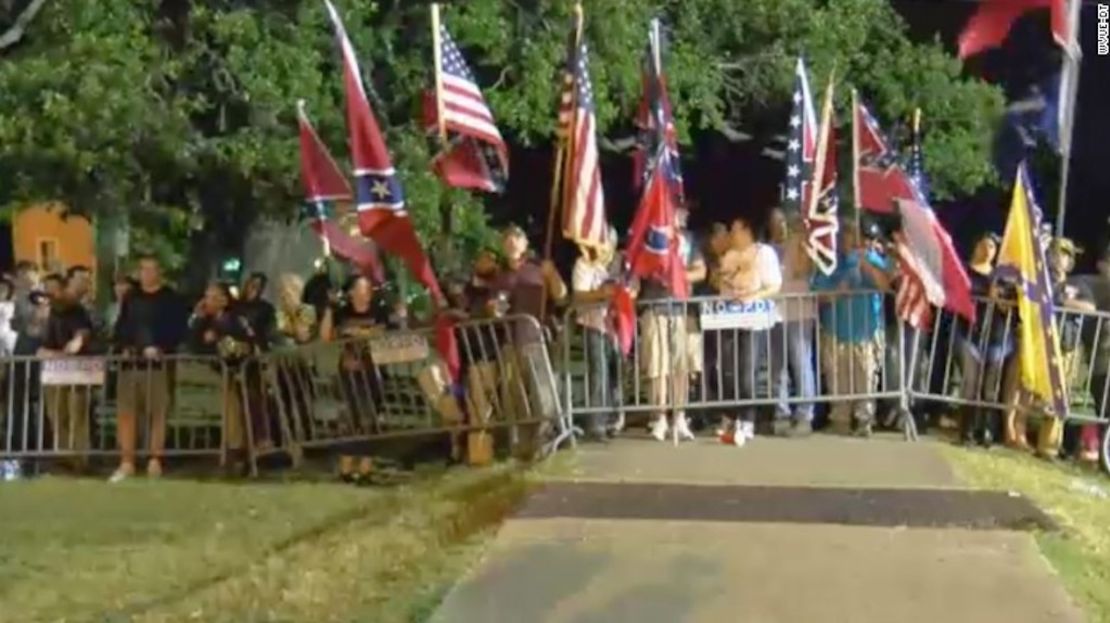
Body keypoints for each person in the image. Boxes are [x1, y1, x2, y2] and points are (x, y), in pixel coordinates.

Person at [110, 255, 189, 482]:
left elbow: (178, 330)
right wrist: (124, 346)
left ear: (159, 272)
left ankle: (155, 458)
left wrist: (161, 348)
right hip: (131, 363)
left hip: (159, 365)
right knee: (127, 413)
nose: (146, 274)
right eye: (142, 269)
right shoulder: (131, 298)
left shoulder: (171, 299)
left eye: (151, 269)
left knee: (158, 413)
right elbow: (122, 327)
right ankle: (127, 461)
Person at [490, 225, 567, 453]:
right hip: (511, 342)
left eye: (516, 238)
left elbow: (561, 296)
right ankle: (522, 443)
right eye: (507, 239)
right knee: (515, 395)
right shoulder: (500, 277)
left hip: (537, 339)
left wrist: (552, 275)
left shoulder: (538, 270)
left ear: (525, 244)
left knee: (542, 391)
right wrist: (492, 310)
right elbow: (497, 308)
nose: (511, 242)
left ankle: (546, 438)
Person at [813, 225, 891, 436]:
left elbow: (884, 285)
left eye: (854, 234)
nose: (850, 239)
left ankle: (865, 419)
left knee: (865, 376)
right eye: (846, 234)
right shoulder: (830, 262)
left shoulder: (871, 258)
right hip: (836, 329)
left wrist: (866, 264)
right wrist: (837, 292)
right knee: (837, 377)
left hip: (865, 330)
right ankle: (840, 419)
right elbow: (817, 294)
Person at [713, 214, 782, 442]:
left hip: (754, 320)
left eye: (735, 230)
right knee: (727, 370)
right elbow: (720, 283)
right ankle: (730, 417)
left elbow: (774, 285)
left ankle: (747, 420)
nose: (732, 235)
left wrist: (753, 296)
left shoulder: (765, 253)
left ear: (747, 231)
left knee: (746, 372)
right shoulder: (729, 255)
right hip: (728, 319)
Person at [638, 212, 706, 443]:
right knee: (658, 366)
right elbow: (640, 269)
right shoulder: (649, 237)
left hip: (681, 310)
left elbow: (700, 270)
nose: (681, 216)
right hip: (655, 308)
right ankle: (659, 418)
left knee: (681, 367)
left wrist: (679, 276)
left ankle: (679, 417)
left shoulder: (688, 240)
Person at [189, 282, 263, 463]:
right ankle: (235, 445)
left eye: (213, 298)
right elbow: (194, 346)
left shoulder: (237, 319)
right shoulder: (203, 323)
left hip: (242, 371)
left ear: (224, 300)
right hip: (215, 372)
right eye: (206, 297)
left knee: (246, 401)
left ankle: (247, 444)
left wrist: (238, 349)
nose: (208, 302)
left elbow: (251, 342)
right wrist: (198, 319)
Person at [321, 275, 386, 480]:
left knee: (371, 419)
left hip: (372, 369)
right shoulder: (342, 312)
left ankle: (365, 467)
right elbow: (326, 336)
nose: (366, 294)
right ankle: (346, 468)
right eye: (361, 289)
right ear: (351, 293)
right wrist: (329, 309)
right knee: (349, 420)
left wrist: (354, 332)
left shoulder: (378, 310)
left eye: (368, 290)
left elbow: (380, 332)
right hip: (348, 371)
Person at [955, 233, 1013, 447]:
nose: (988, 249)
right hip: (968, 333)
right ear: (976, 246)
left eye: (992, 246)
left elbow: (1009, 308)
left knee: (990, 386)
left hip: (995, 338)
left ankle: (985, 429)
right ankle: (966, 430)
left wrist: (998, 297)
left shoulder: (1002, 278)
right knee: (971, 381)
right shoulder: (964, 271)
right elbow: (960, 294)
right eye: (984, 244)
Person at [767, 208, 816, 436]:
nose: (782, 226)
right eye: (777, 223)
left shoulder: (803, 244)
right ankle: (781, 412)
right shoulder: (770, 249)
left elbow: (803, 270)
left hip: (799, 311)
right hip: (776, 312)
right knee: (778, 366)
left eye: (785, 222)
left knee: (801, 363)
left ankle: (805, 415)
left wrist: (801, 243)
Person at [38, 276, 96, 466]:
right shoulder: (50, 314)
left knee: (77, 415)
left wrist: (73, 345)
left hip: (76, 371)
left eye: (54, 289)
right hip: (54, 373)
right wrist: (54, 353)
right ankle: (63, 456)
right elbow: (42, 348)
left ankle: (80, 459)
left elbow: (81, 336)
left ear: (63, 290)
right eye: (47, 289)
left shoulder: (77, 311)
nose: (51, 294)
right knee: (56, 415)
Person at [571, 229, 619, 441]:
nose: (605, 246)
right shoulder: (584, 263)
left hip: (616, 326)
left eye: (608, 242)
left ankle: (613, 418)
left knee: (615, 373)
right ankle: (596, 423)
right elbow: (579, 294)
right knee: (598, 372)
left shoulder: (617, 264)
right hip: (593, 324)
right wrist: (601, 294)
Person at [274, 273, 317, 347]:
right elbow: (283, 333)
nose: (283, 296)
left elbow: (303, 335)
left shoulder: (308, 309)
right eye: (280, 292)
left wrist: (293, 312)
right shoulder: (280, 313)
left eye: (287, 294)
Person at [236, 272, 277, 350]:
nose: (251, 289)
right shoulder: (236, 305)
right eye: (249, 284)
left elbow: (270, 333)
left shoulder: (267, 308)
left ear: (261, 289)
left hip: (257, 350)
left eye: (256, 286)